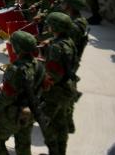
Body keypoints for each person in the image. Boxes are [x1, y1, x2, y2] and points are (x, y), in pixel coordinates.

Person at [0, 30, 43, 155]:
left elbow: (7, 97)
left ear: (18, 47)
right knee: (23, 144)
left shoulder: (15, 69)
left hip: (13, 114)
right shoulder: (39, 66)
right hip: (30, 112)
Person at [40, 12, 79, 155]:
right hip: (67, 88)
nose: (48, 26)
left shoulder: (56, 48)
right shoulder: (68, 42)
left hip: (56, 93)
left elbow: (52, 76)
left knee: (50, 127)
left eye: (50, 24)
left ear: (55, 27)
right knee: (61, 125)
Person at [59, 0, 90, 67]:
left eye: (64, 3)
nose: (61, 4)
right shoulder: (75, 18)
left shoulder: (74, 26)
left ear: (70, 6)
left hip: (66, 62)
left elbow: (66, 44)